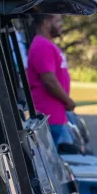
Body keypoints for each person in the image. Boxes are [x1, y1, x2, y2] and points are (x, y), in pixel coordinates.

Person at [26, 14, 76, 146]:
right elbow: (49, 81)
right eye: (58, 20)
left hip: (56, 115)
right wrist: (68, 101)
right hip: (48, 116)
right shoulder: (42, 45)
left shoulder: (47, 44)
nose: (61, 24)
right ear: (46, 23)